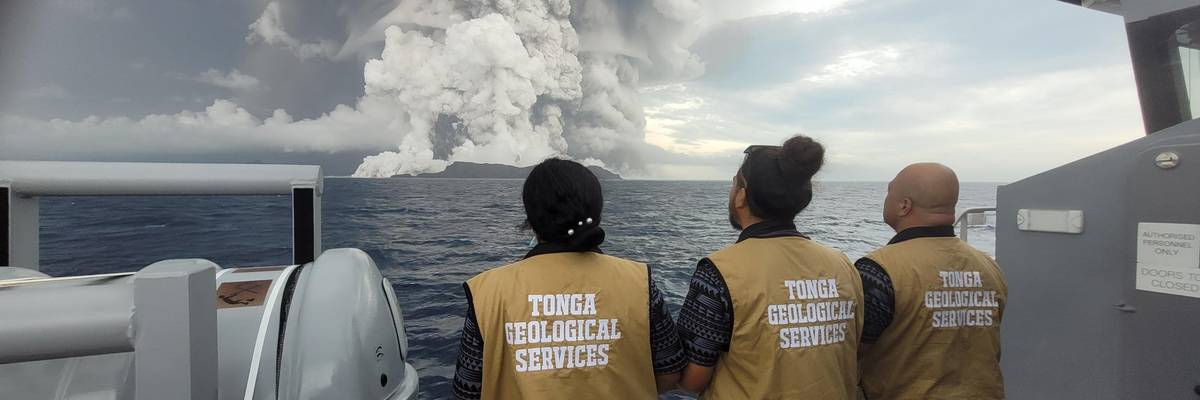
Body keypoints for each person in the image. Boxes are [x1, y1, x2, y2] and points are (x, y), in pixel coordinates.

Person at [452, 158, 686, 399]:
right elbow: (670, 373)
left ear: (531, 219)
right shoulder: (639, 282)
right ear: (597, 212)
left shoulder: (487, 292)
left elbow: (467, 390)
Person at [675, 135, 864, 399]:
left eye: (734, 183)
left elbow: (692, 379)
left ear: (741, 196)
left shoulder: (718, 272)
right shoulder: (843, 265)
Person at [855, 163, 1007, 399]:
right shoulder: (989, 266)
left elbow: (852, 348)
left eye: (889, 192)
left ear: (904, 205)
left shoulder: (877, 271)